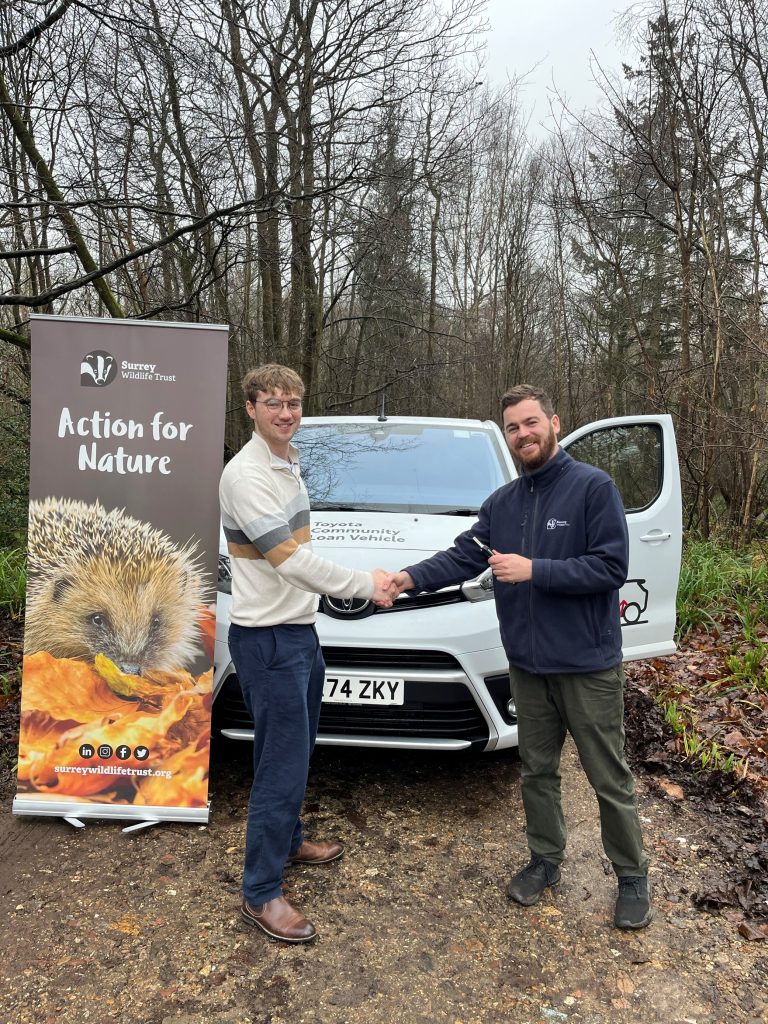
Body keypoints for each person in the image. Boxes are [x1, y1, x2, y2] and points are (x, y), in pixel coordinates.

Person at [391, 384, 652, 930]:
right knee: (537, 770)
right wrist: (408, 578)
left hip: (587, 666)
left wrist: (536, 570)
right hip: (528, 667)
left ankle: (631, 877)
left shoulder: (592, 488)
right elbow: (465, 555)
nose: (523, 434)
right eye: (512, 427)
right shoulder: (503, 504)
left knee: (608, 777)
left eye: (531, 422)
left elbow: (611, 569)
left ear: (554, 422)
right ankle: (545, 860)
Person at [219, 363, 395, 944]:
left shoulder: (287, 463)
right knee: (280, 765)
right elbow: (290, 560)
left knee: (294, 750)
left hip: (297, 633)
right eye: (273, 403)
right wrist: (364, 584)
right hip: (267, 641)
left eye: (293, 403)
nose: (286, 413)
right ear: (250, 408)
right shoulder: (245, 475)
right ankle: (261, 891)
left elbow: (297, 557)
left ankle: (289, 842)